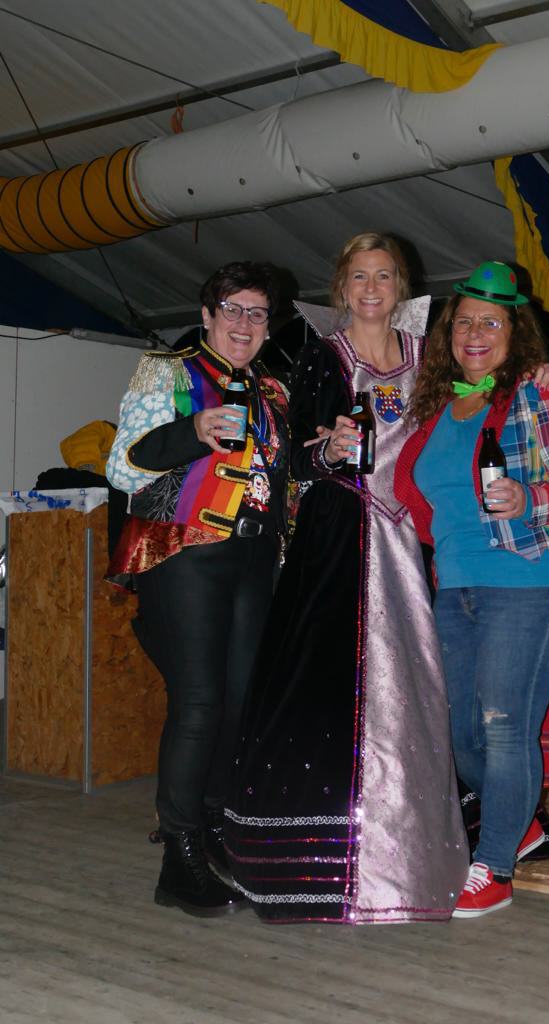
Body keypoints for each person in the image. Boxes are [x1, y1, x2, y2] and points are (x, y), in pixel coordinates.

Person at [225, 236, 549, 924]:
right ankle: (349, 851)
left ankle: (495, 824)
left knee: (444, 696)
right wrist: (327, 451)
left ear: (401, 287)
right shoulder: (320, 356)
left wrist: (538, 370)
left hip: (428, 540)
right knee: (342, 691)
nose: (372, 288)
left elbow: (489, 372)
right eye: (359, 276)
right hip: (341, 541)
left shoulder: (429, 354)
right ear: (341, 287)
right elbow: (293, 459)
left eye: (384, 275)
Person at [395, 260, 549, 919]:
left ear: (516, 334)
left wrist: (528, 498)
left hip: (526, 583)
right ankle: (523, 821)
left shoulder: (538, 395)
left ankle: (496, 867)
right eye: (464, 323)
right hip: (453, 589)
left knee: (505, 729)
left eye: (490, 323)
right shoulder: (435, 406)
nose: (475, 334)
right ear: (447, 335)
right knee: (459, 737)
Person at [106, 261, 291, 917]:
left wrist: (325, 450)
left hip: (255, 557)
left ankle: (213, 833)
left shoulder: (274, 390)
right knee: (200, 702)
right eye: (232, 309)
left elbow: (282, 477)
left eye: (257, 313)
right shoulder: (168, 372)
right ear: (207, 316)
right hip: (185, 552)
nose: (244, 323)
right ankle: (178, 857)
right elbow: (123, 464)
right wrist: (192, 431)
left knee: (239, 703)